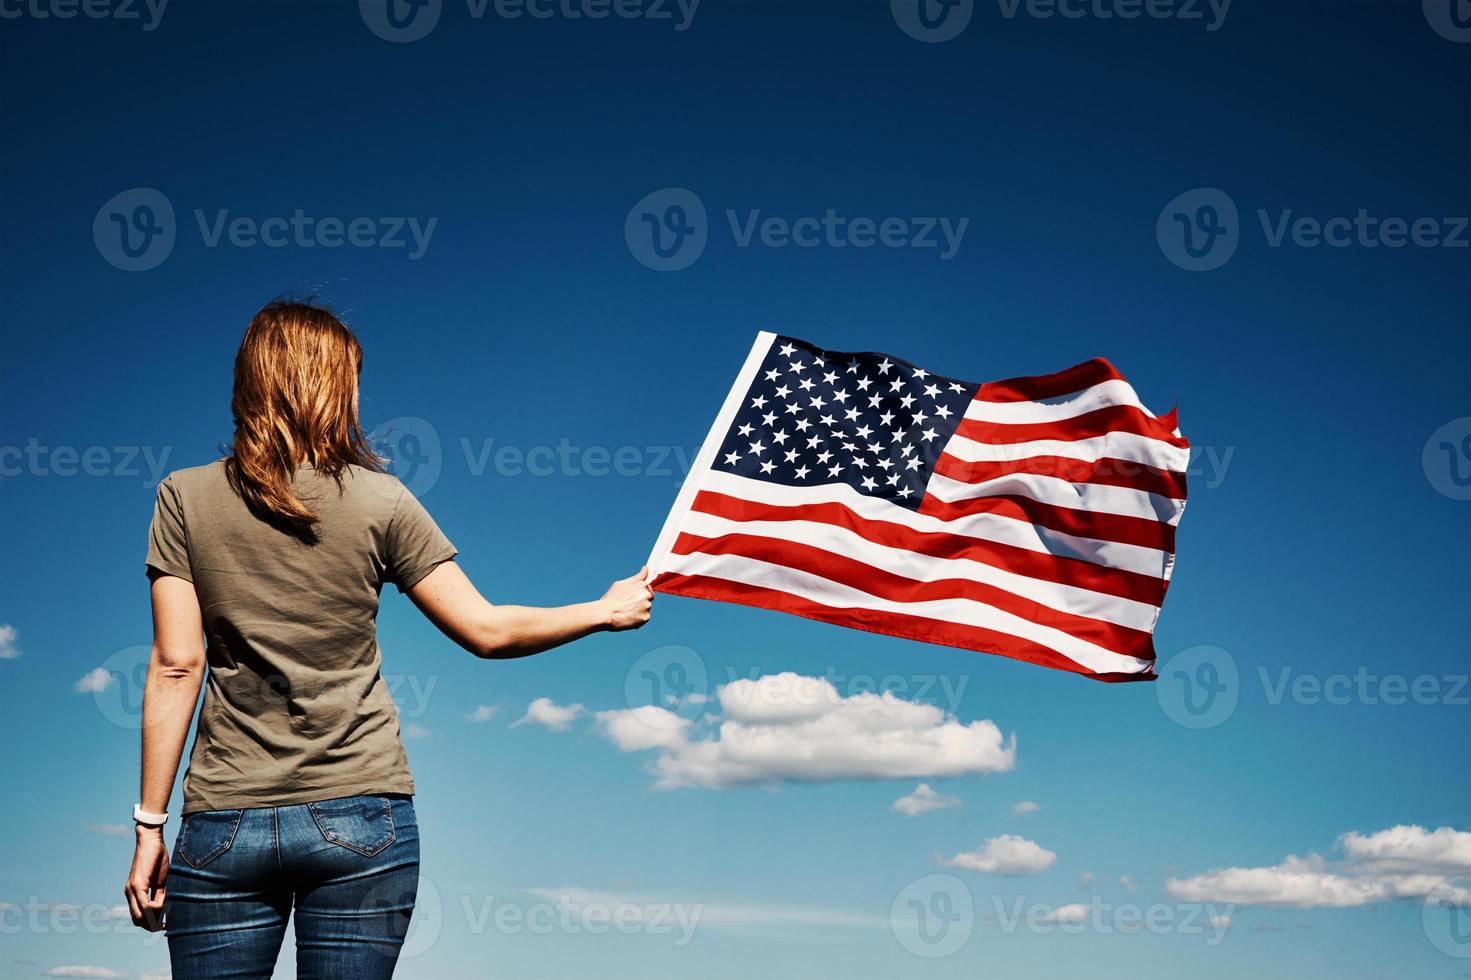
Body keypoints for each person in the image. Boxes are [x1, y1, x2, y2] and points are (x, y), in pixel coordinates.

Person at [123, 300, 653, 978]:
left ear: (250, 380)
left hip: (223, 820)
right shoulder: (383, 500)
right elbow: (485, 632)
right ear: (337, 387)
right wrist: (600, 610)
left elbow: (176, 664)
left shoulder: (183, 496)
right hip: (362, 812)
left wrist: (148, 825)